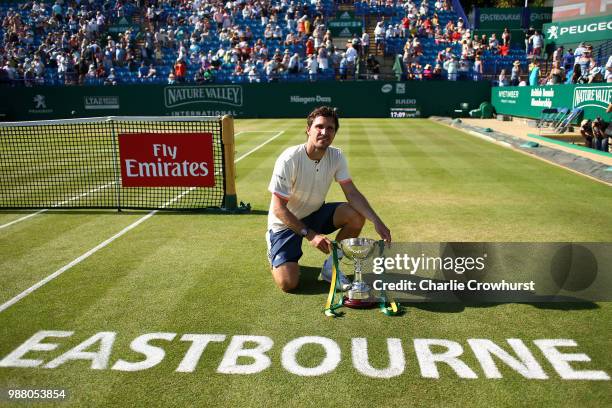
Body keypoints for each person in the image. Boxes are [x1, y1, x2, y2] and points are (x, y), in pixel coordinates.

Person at [266, 106, 392, 292]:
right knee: (288, 283)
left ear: (335, 133)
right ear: (308, 130)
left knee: (356, 216)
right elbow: (278, 209)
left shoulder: (336, 155)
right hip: (285, 224)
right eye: (319, 127)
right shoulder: (289, 159)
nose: (324, 132)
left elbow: (352, 193)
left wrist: (376, 221)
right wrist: (311, 235)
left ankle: (331, 267)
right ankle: (274, 251)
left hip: (314, 213)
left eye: (330, 128)